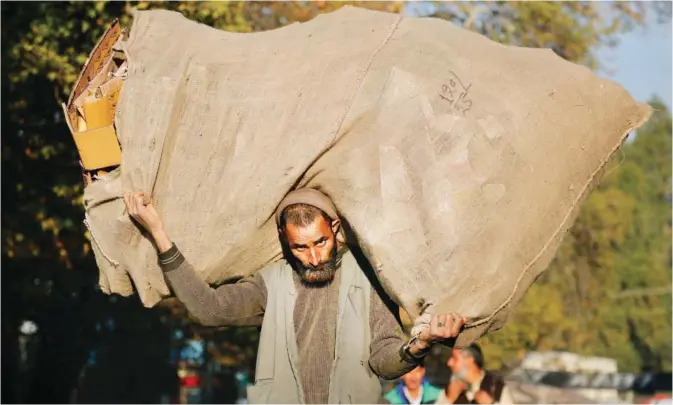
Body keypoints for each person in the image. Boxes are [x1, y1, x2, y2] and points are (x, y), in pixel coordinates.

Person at [124, 188, 467, 404]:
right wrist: (158, 234)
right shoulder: (268, 285)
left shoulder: (369, 278)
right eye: (300, 247)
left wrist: (419, 344)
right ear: (284, 242)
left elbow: (383, 361)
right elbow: (209, 309)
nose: (315, 257)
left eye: (320, 242)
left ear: (334, 229)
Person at [435, 344, 513, 404]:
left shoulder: (496, 386)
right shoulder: (449, 389)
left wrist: (492, 403)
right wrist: (449, 399)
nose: (449, 363)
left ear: (469, 359)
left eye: (455, 358)